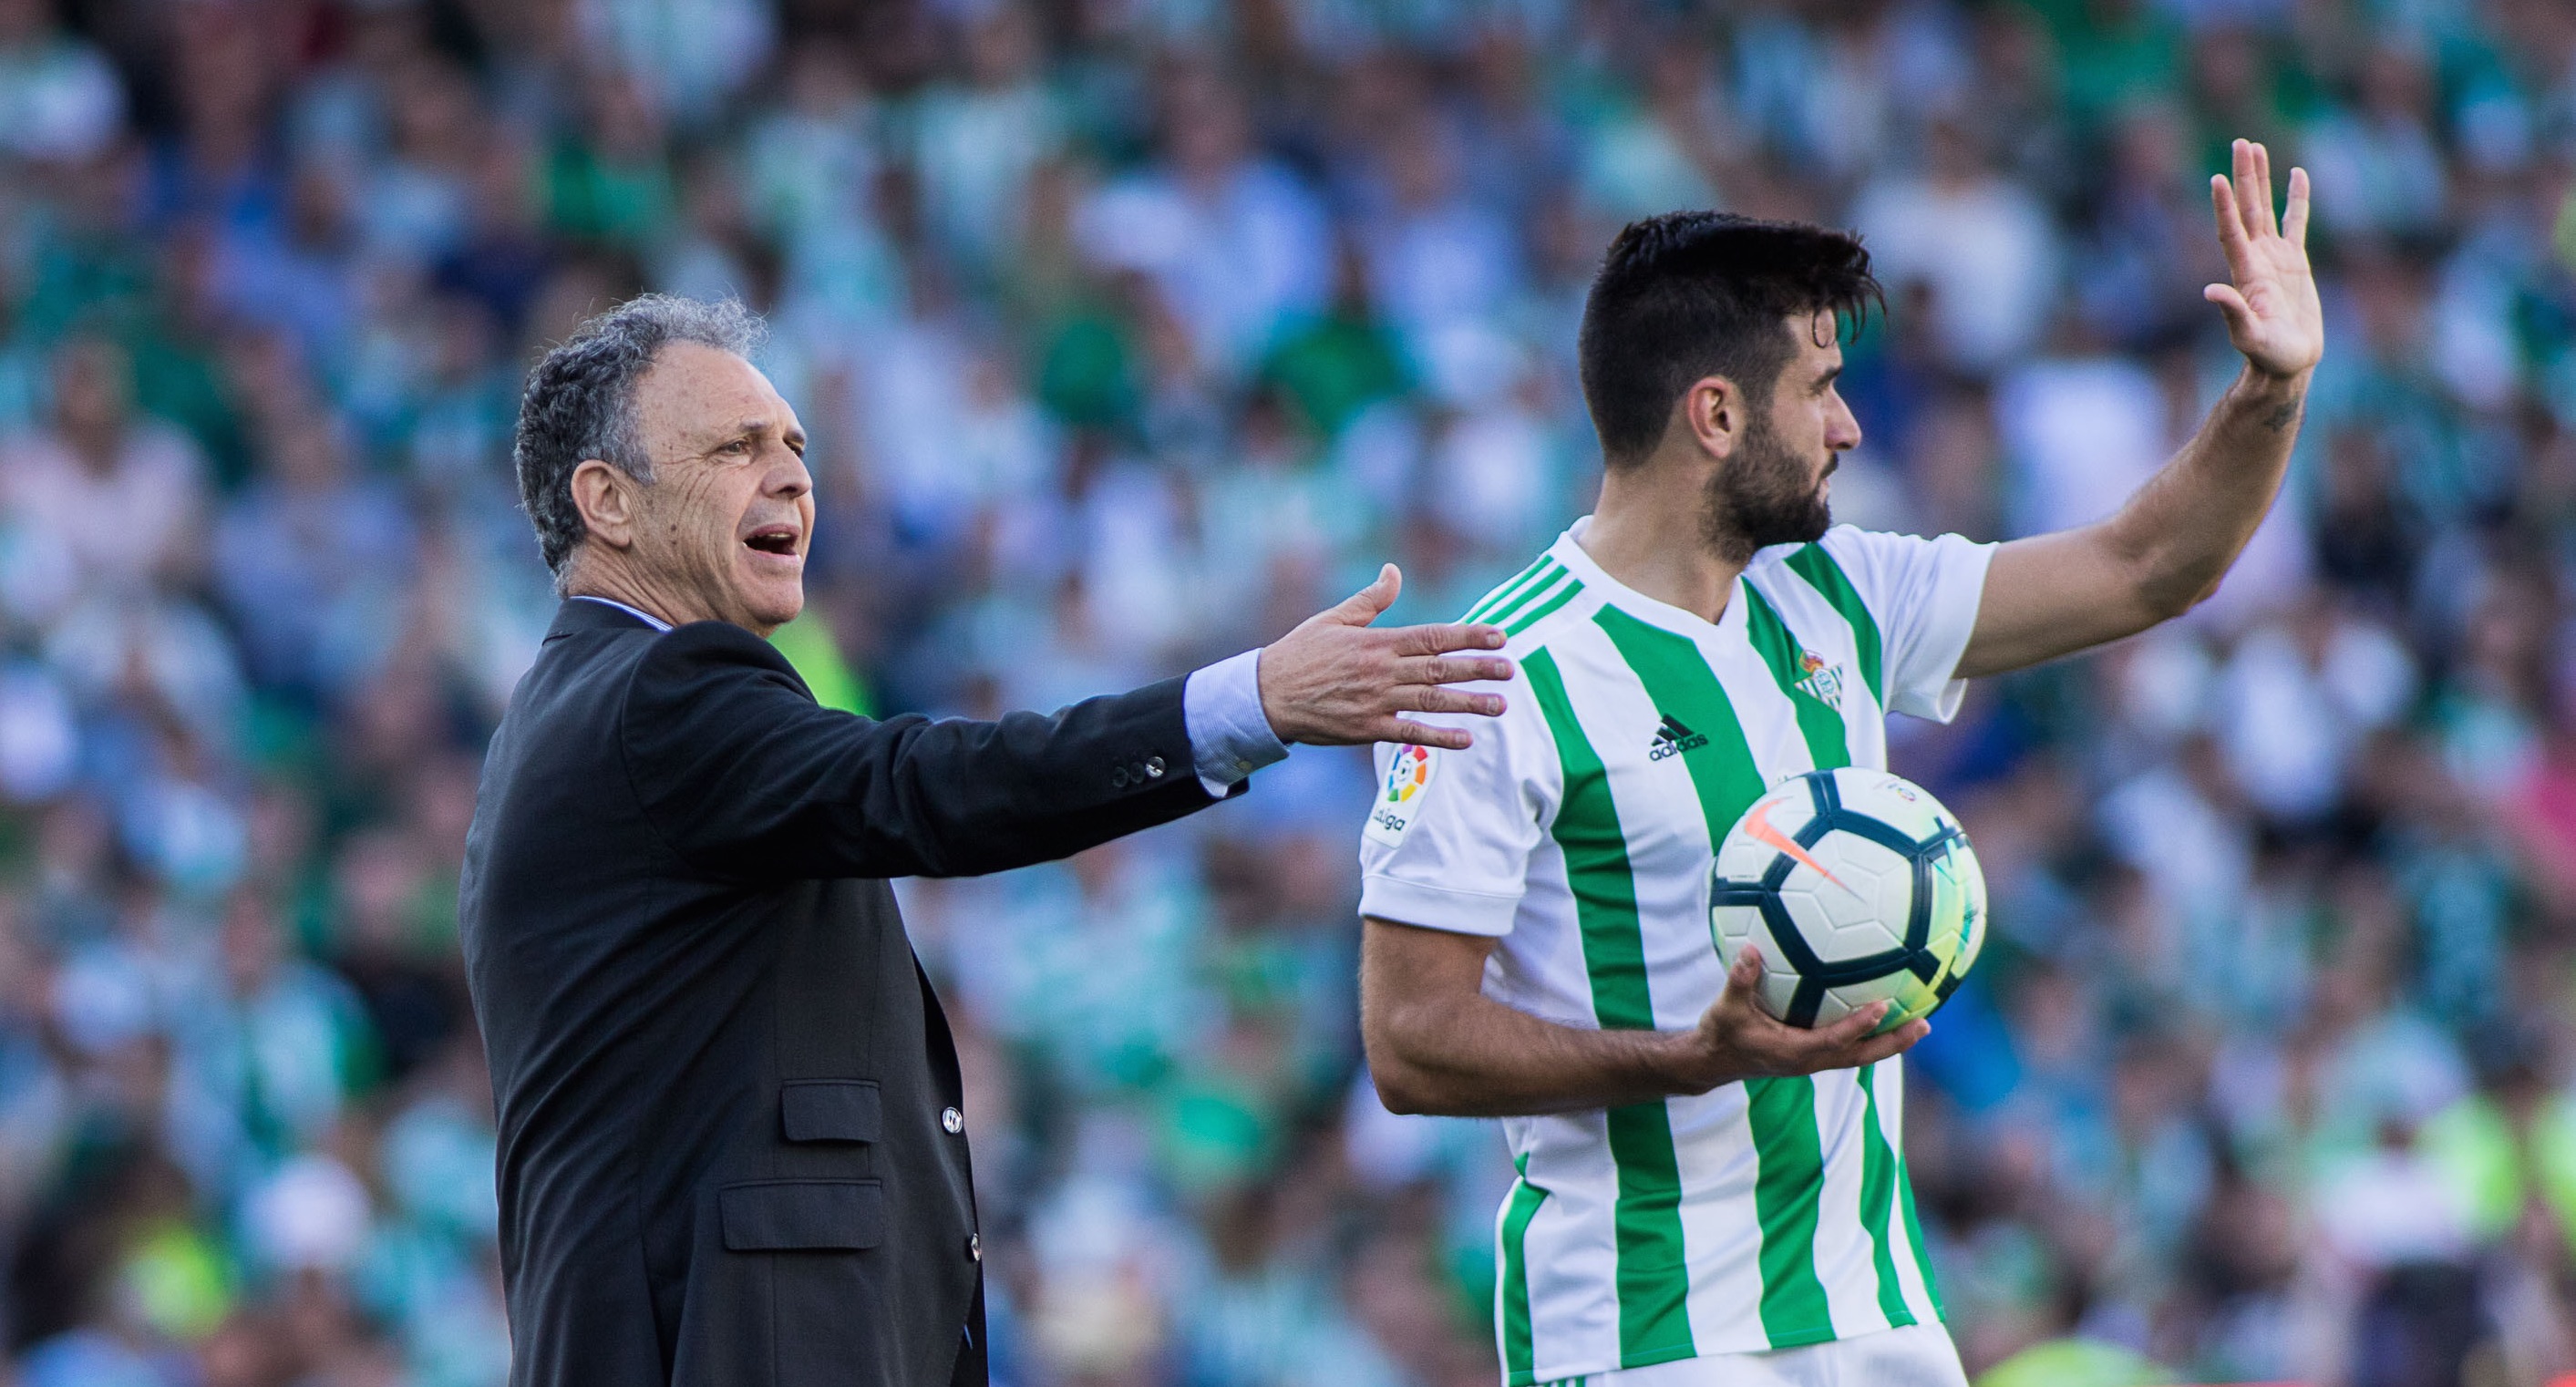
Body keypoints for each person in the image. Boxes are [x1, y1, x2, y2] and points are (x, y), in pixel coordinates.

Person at [1355, 139, 2321, 1385]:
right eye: (1820, 387)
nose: (1852, 424)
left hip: (1874, 1318)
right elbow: (1408, 1040)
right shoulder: (1500, 676)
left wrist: (2269, 390)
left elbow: (2148, 564)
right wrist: (1688, 1060)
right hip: (1644, 1330)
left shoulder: (1840, 597)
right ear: (1714, 414)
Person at [459, 293, 1516, 1387]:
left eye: (796, 446)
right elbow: (925, 786)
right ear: (609, 502)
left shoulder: (573, 713)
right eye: (737, 446)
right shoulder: (661, 689)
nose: (790, 476)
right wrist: (1250, 702)